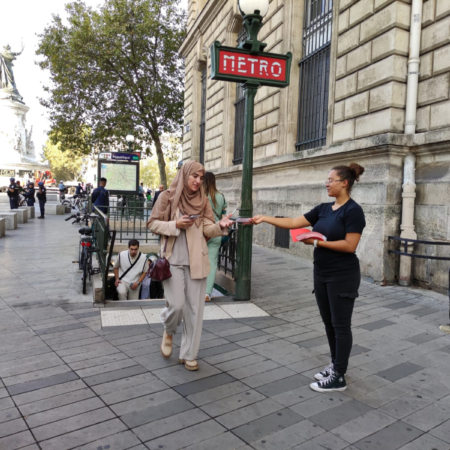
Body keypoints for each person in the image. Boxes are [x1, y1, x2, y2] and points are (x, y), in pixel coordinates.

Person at [252, 163, 366, 392]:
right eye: (326, 179)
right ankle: (335, 365)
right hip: (321, 273)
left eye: (330, 180)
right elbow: (295, 223)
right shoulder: (324, 209)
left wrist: (315, 242)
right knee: (329, 323)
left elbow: (350, 244)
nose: (326, 183)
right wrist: (265, 218)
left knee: (341, 325)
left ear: (344, 183)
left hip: (342, 275)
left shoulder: (353, 211)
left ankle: (339, 376)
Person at [148, 161, 233, 371]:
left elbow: (207, 227)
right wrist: (174, 225)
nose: (198, 181)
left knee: (195, 310)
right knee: (176, 306)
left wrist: (219, 226)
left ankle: (189, 354)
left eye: (201, 178)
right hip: (173, 260)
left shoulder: (203, 201)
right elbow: (152, 224)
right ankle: (169, 330)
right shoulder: (167, 197)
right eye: (194, 176)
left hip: (197, 260)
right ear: (185, 175)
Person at [203, 172, 227, 302]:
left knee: (197, 262)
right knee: (212, 263)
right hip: (216, 231)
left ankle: (196, 290)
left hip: (203, 232)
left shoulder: (200, 196)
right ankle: (207, 293)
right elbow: (224, 215)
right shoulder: (221, 196)